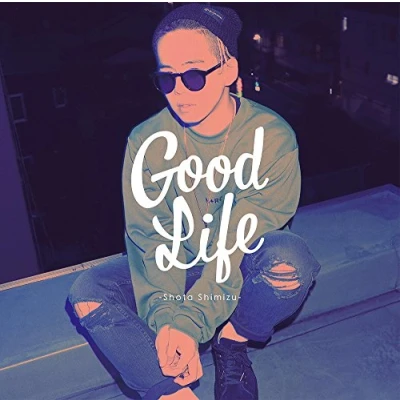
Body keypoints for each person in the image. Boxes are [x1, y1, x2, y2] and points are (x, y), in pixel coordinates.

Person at [68, 4, 322, 400]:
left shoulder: (271, 137)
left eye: (193, 75)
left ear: (228, 70)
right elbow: (153, 241)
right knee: (88, 290)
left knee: (289, 260)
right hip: (180, 264)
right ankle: (174, 392)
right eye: (167, 78)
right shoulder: (146, 142)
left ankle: (231, 342)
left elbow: (235, 243)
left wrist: (192, 322)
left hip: (238, 261)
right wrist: (169, 323)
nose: (180, 92)